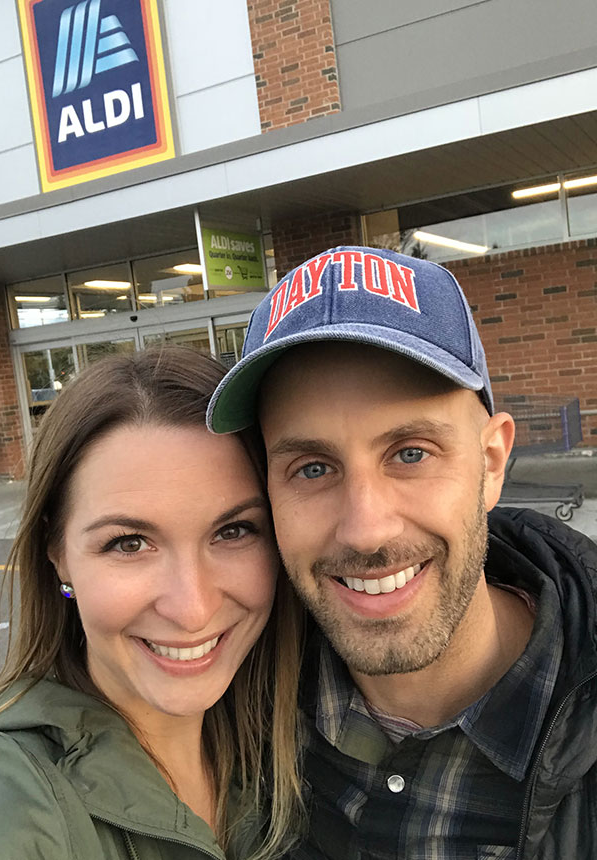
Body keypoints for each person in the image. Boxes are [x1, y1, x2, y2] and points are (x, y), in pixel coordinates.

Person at [207, 246, 597, 860]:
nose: (365, 530)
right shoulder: (231, 699)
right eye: (312, 468)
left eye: (411, 453)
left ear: (491, 464)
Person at [0, 347, 303, 860]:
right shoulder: (7, 797)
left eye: (233, 531)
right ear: (58, 555)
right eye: (129, 543)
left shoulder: (289, 732)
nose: (193, 609)